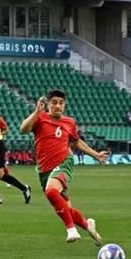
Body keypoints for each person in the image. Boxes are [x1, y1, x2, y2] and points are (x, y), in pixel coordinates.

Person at [19, 89, 109, 244]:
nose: (58, 106)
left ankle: (71, 230)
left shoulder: (69, 122)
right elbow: (23, 130)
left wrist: (96, 155)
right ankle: (88, 226)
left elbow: (76, 142)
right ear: (48, 104)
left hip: (64, 162)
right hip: (44, 168)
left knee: (51, 191)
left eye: (61, 103)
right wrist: (36, 112)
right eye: (54, 103)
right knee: (65, 208)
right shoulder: (40, 118)